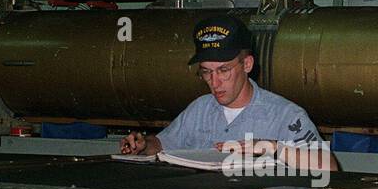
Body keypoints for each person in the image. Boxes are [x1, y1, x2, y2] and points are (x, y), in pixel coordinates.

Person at [120, 15, 338, 173]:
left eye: (224, 70)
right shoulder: (200, 109)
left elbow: (328, 167)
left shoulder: (285, 115)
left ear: (247, 64)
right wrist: (143, 145)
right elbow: (163, 143)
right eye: (206, 72)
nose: (214, 82)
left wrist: (273, 148)